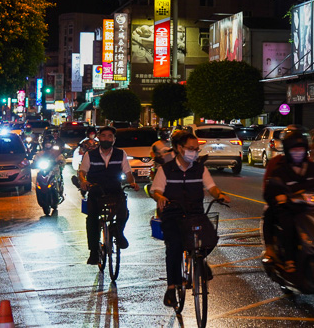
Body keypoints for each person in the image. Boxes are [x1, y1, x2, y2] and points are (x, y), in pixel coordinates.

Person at [151, 130, 230, 308]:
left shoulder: (200, 169)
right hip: (172, 215)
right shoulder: (165, 170)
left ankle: (200, 260)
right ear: (179, 148)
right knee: (174, 247)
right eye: (190, 148)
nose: (194, 152)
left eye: (197, 149)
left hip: (195, 213)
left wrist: (220, 195)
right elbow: (155, 190)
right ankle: (172, 288)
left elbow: (212, 187)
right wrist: (160, 198)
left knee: (210, 238)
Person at [262, 125, 314, 272]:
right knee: (286, 224)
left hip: (310, 207)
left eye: (300, 150)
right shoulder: (279, 168)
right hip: (290, 209)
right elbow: (270, 189)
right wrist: (279, 197)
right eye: (294, 150)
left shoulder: (311, 167)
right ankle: (288, 259)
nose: (298, 153)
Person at [78, 126, 139, 265]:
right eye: (104, 135)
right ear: (99, 137)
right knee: (92, 219)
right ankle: (94, 251)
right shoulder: (90, 155)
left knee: (124, 212)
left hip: (115, 189)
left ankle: (117, 232)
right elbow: (82, 171)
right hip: (95, 190)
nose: (107, 138)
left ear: (114, 139)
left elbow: (128, 172)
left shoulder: (121, 154)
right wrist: (84, 181)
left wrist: (133, 183)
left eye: (110, 136)